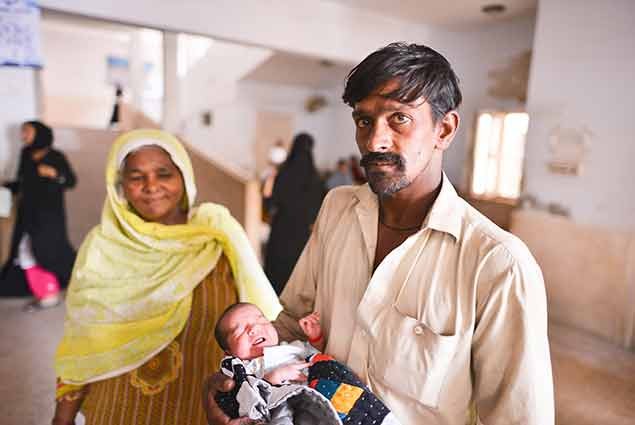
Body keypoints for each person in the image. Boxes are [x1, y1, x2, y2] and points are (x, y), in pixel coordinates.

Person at [204, 43, 554, 425]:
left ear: (445, 129)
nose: (374, 142)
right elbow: (292, 321)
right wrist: (232, 381)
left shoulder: (498, 264)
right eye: (364, 120)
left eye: (399, 119)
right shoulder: (338, 208)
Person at [52, 129, 281, 425]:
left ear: (183, 177)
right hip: (120, 410)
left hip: (203, 408)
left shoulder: (217, 232)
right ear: (119, 186)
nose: (151, 186)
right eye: (136, 177)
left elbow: (262, 319)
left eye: (164, 174)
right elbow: (81, 341)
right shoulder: (103, 245)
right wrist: (62, 418)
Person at [214, 303, 398, 425]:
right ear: (228, 352)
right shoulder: (241, 368)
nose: (253, 329)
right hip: (284, 410)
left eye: (260, 320)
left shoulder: (292, 348)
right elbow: (242, 399)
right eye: (239, 331)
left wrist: (315, 338)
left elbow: (313, 358)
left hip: (318, 397)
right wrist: (270, 380)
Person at [0, 120, 76, 310]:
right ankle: (46, 293)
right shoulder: (25, 154)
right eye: (22, 132)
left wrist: (54, 174)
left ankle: (50, 295)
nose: (23, 136)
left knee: (46, 252)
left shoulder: (56, 156)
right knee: (24, 253)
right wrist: (5, 187)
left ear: (40, 134)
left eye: (27, 132)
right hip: (27, 214)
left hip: (48, 217)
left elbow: (71, 181)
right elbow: (21, 183)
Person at [264, 133, 324, 295]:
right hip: (302, 232)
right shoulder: (315, 178)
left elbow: (272, 202)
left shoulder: (283, 173)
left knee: (277, 269)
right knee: (296, 268)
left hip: (281, 227)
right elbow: (318, 207)